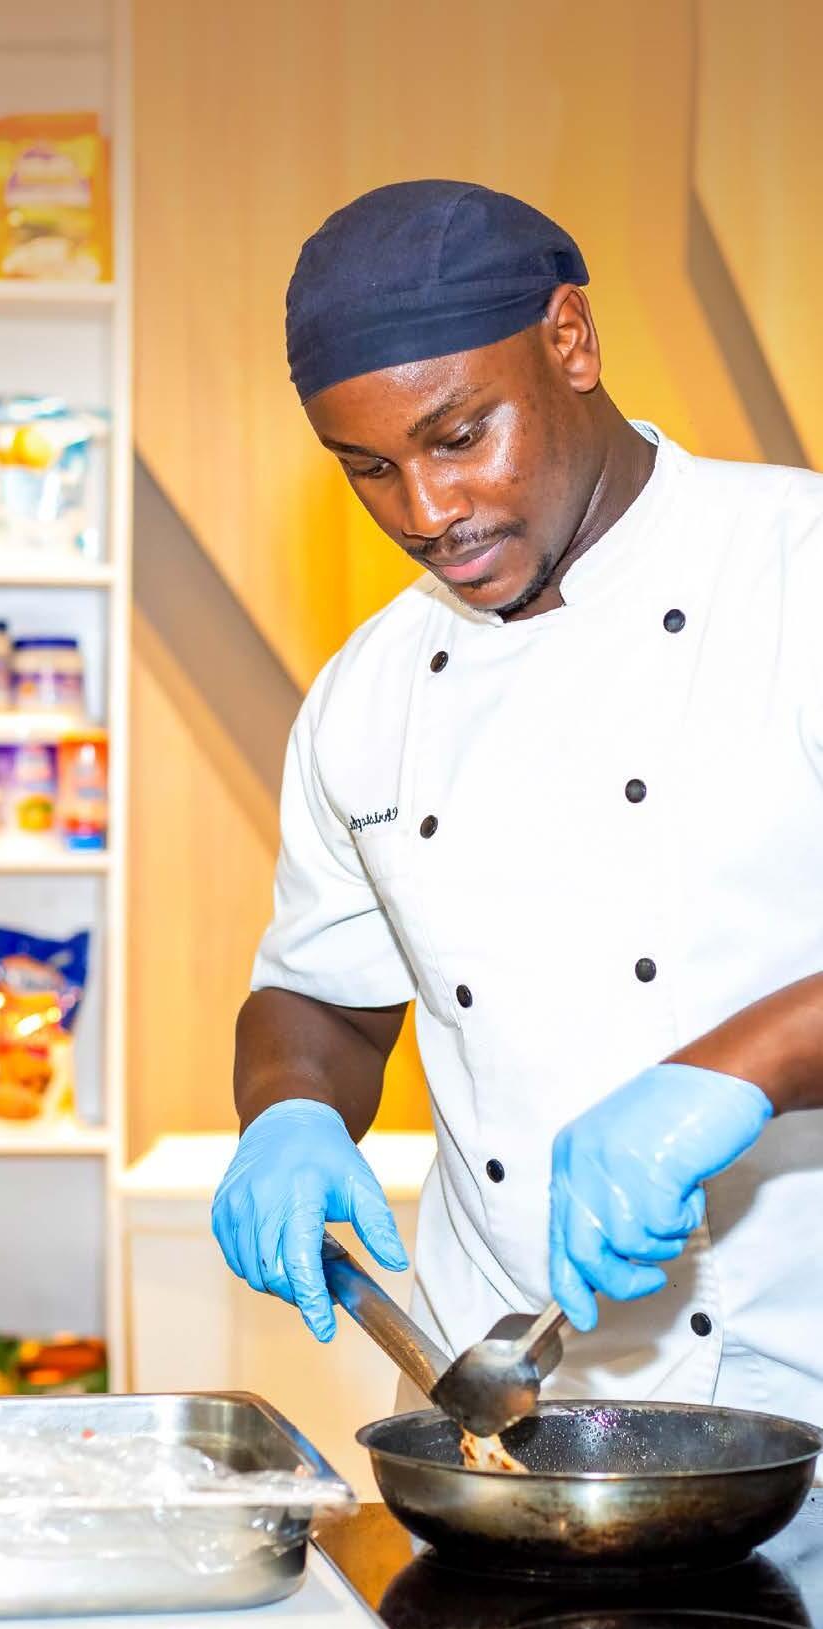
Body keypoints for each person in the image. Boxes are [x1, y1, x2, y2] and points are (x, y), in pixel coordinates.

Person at [212, 180, 823, 1424]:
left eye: (457, 437)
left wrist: (744, 1068)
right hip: (505, 1410)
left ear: (570, 339)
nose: (426, 514)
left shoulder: (794, 574)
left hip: (801, 1380)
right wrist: (288, 1111)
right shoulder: (367, 695)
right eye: (368, 470)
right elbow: (322, 1000)